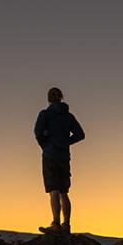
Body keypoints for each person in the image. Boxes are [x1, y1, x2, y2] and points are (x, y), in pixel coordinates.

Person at [34, 87, 85, 234]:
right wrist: (66, 142)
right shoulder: (68, 116)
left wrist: (45, 145)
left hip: (50, 156)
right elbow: (80, 134)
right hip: (64, 156)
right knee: (64, 191)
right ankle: (66, 225)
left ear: (49, 99)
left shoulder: (45, 115)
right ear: (61, 98)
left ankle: (56, 223)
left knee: (53, 191)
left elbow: (37, 133)